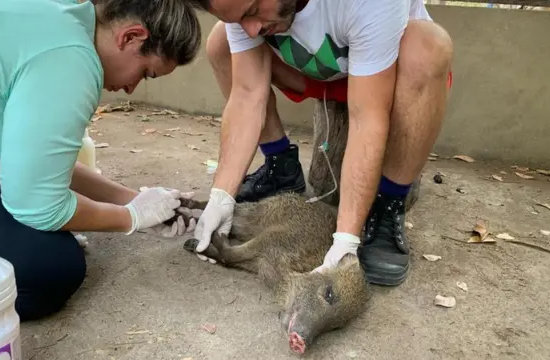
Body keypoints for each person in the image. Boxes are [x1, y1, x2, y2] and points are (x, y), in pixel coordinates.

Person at [0, 0, 202, 323]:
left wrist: (132, 199)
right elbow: (37, 205)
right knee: (49, 267)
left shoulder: (58, 17)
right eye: (146, 73)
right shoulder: (73, 59)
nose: (131, 88)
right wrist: (129, 218)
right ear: (130, 37)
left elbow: (29, 166)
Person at [186, 0, 454, 286]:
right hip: (324, 73)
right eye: (239, 20)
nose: (251, 30)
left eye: (252, 12)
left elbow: (367, 119)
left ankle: (389, 203)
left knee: (429, 47)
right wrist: (221, 195)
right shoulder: (244, 11)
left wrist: (346, 239)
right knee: (221, 42)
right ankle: (280, 167)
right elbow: (247, 95)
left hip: (389, 75)